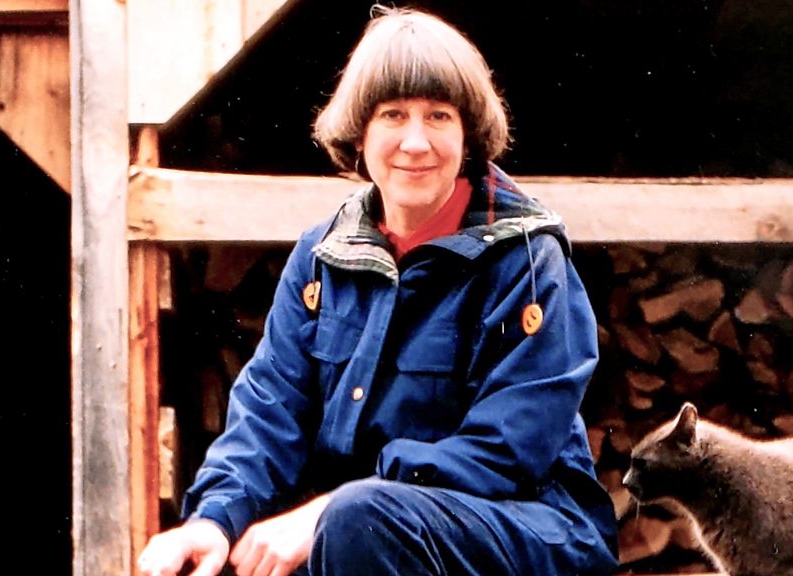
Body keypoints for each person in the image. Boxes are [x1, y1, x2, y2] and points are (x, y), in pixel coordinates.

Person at [137, 6, 619, 576]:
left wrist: (333, 509)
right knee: (226, 556)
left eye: (438, 116)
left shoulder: (528, 261)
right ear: (359, 133)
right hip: (361, 534)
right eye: (393, 115)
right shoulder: (320, 258)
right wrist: (214, 520)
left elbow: (507, 452)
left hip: (527, 530)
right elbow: (270, 409)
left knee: (357, 520)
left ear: (468, 136)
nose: (415, 142)